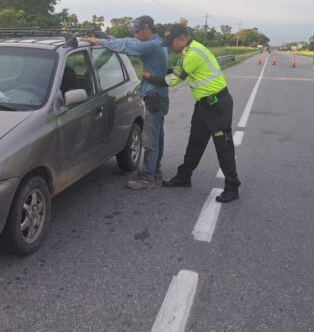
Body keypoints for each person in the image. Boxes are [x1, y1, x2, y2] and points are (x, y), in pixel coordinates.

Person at [143, 24, 240, 203]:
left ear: (182, 38)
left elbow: (173, 80)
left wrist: (151, 78)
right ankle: (184, 177)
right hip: (204, 105)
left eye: (171, 43)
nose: (170, 47)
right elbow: (179, 71)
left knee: (223, 147)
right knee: (194, 143)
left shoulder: (194, 53)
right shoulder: (188, 52)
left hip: (217, 106)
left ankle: (232, 187)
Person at [84, 15, 168, 190]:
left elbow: (131, 46)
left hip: (154, 96)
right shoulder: (157, 42)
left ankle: (147, 179)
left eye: (138, 31)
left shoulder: (152, 45)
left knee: (151, 139)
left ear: (146, 29)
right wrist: (111, 39)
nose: (136, 35)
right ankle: (154, 170)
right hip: (159, 96)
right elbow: (130, 41)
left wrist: (101, 41)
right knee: (158, 135)